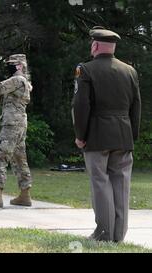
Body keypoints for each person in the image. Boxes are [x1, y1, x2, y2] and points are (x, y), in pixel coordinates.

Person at [72, 26, 141, 242]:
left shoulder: (86, 69)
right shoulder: (129, 71)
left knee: (100, 183)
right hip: (123, 135)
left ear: (95, 45)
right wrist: (133, 136)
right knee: (121, 185)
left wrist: (80, 135)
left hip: (97, 135)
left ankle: (103, 233)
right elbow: (136, 107)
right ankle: (118, 236)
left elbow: (81, 105)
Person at [0, 54, 34, 208]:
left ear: (20, 66)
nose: (8, 65)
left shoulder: (18, 80)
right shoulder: (23, 82)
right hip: (19, 124)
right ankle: (25, 195)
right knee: (19, 159)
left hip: (12, 125)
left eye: (12, 63)